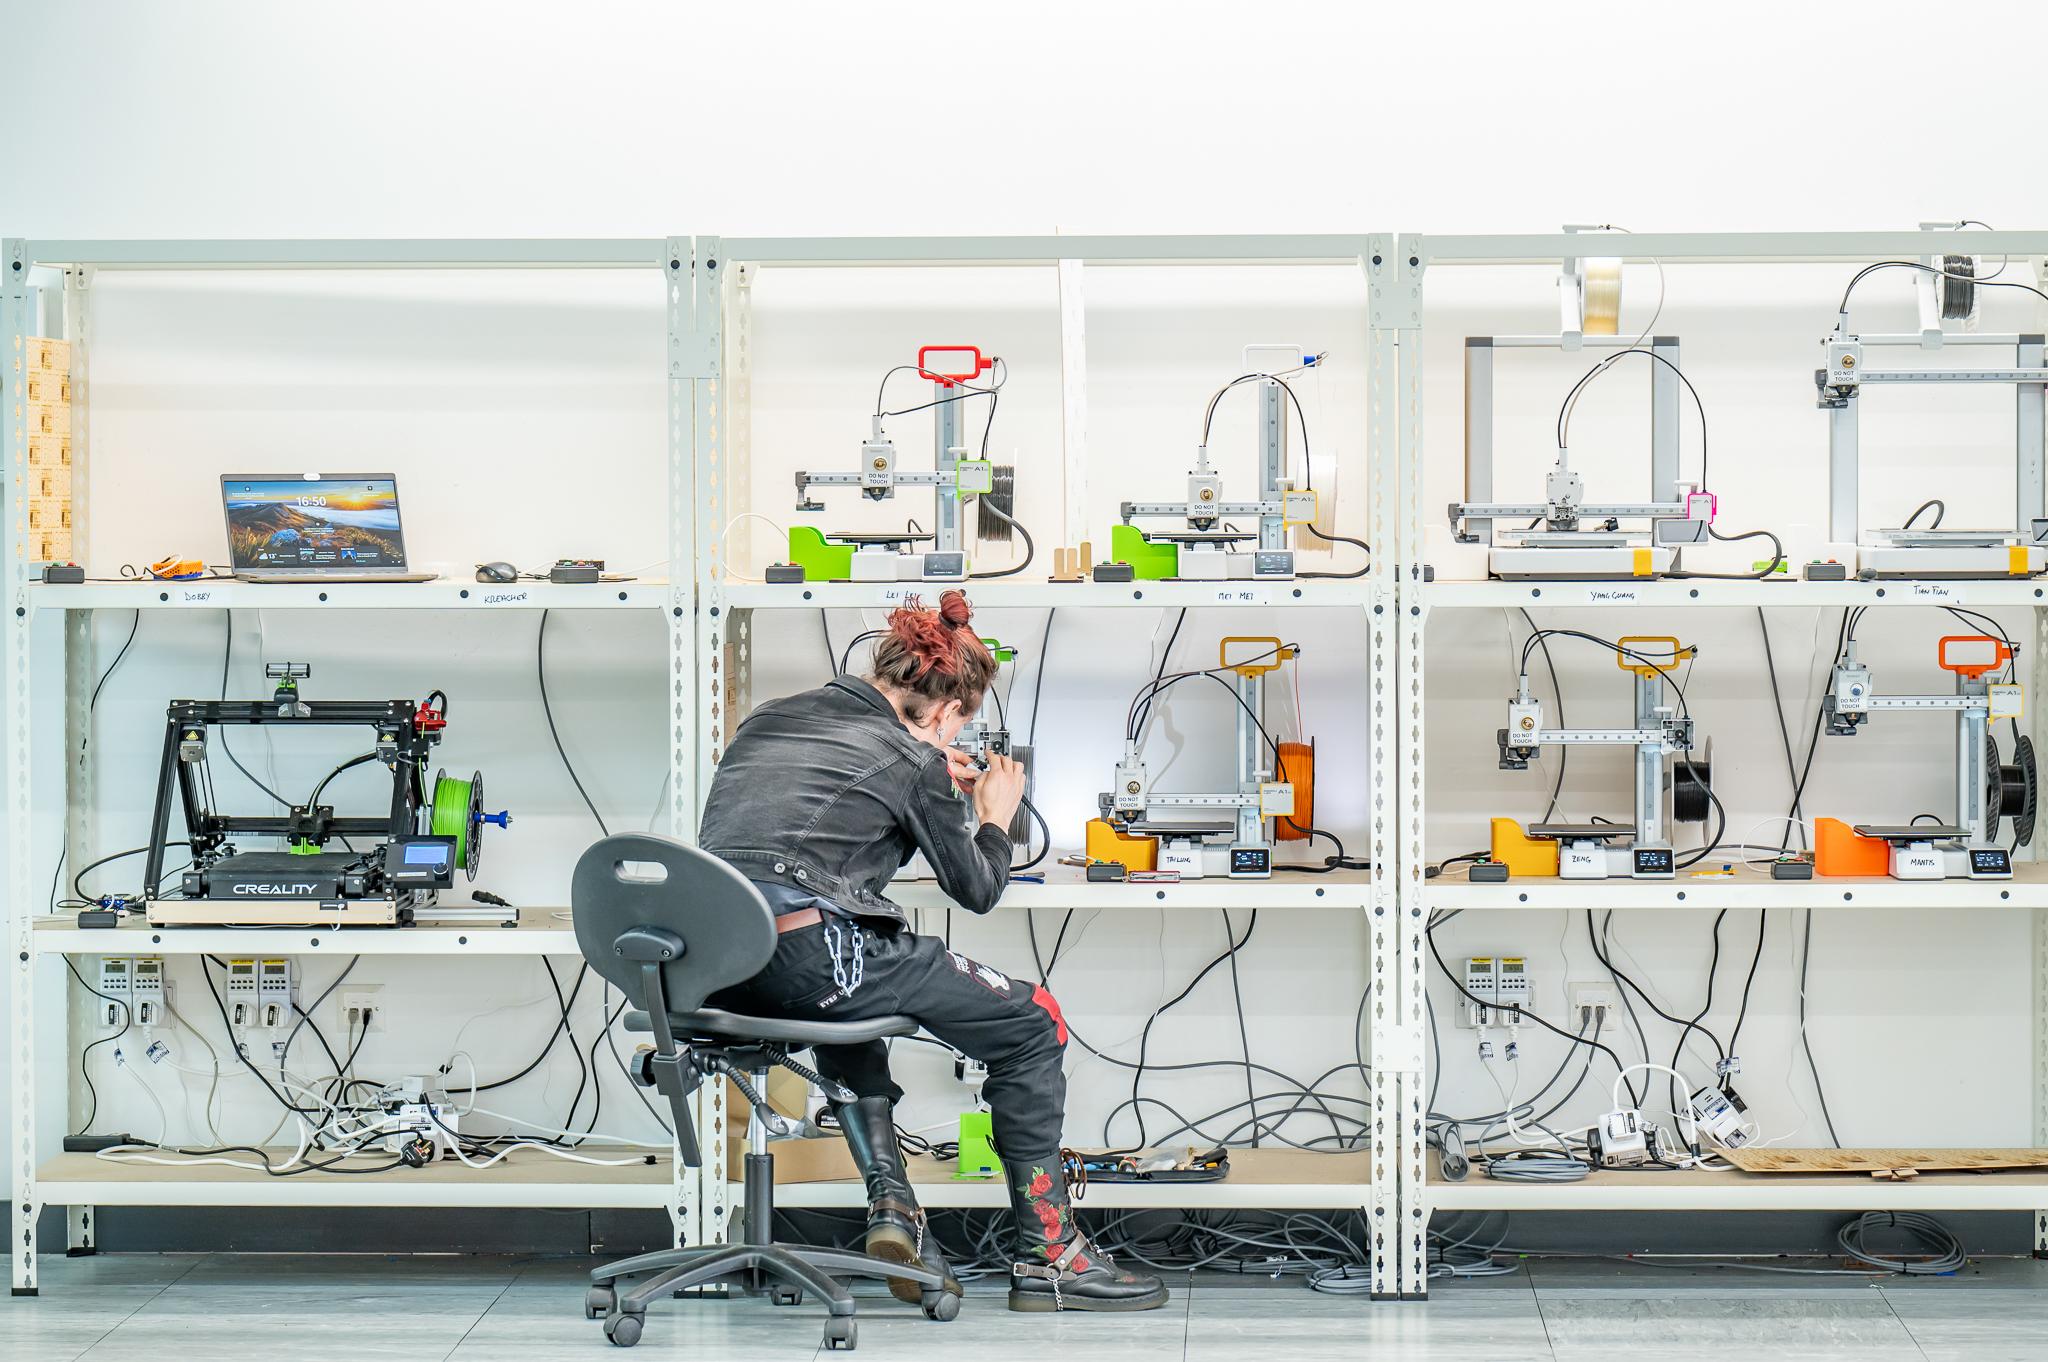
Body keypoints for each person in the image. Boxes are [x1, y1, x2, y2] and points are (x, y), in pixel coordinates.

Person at [699, 590, 1168, 1314]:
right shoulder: (911, 759)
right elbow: (977, 888)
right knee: (1033, 1021)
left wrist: (925, 787)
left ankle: (898, 1212)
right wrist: (992, 816)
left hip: (712, 968)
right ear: (948, 712)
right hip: (814, 958)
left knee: (847, 1014)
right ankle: (1050, 1254)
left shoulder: (769, 719)